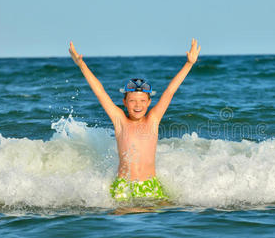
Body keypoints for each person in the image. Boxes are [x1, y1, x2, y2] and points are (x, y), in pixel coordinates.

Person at [69, 39, 201, 204]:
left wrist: (189, 64)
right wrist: (81, 64)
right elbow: (100, 92)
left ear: (148, 102)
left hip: (150, 186)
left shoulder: (152, 120)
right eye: (132, 101)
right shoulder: (120, 121)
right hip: (123, 187)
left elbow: (169, 91)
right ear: (125, 102)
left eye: (142, 101)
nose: (137, 105)